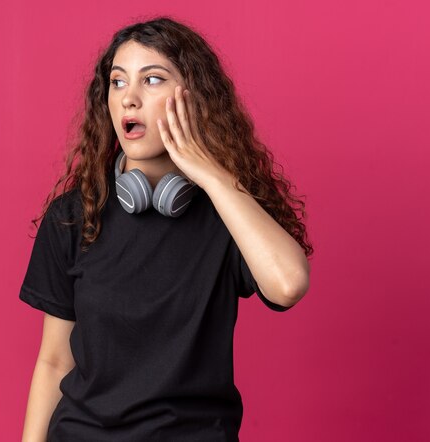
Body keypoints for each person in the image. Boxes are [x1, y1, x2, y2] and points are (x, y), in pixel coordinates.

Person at [19, 16, 313, 442]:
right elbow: (54, 361)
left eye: (152, 79)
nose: (129, 99)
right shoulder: (73, 215)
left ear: (193, 98)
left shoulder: (227, 215)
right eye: (117, 83)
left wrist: (212, 175)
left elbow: (288, 284)